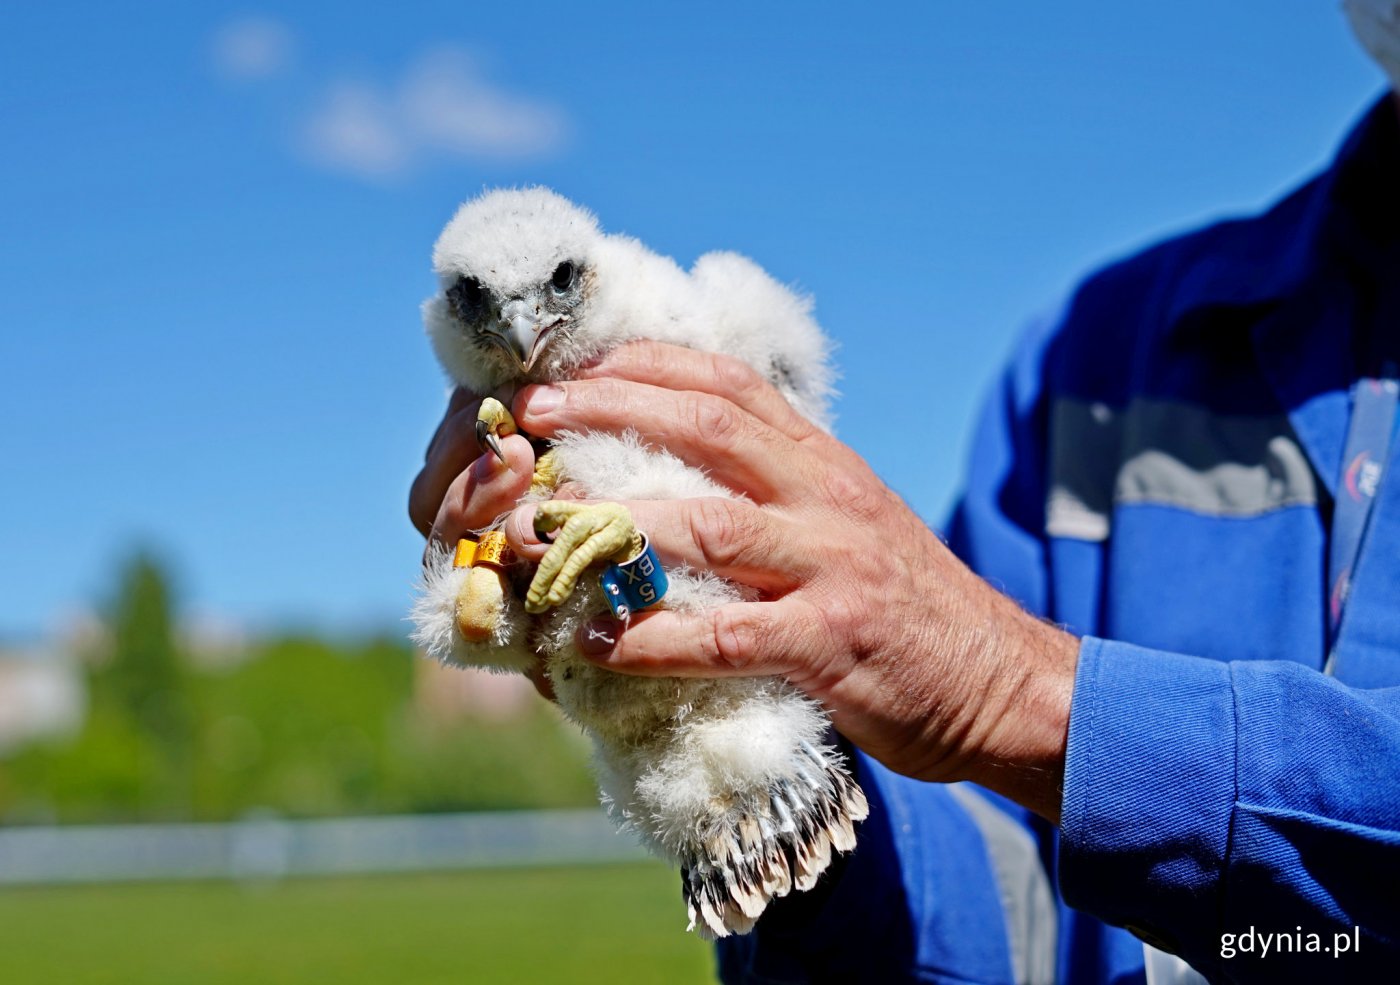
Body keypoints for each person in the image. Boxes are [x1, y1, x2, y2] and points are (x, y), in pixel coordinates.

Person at [409, 9, 1400, 980]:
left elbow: (988, 713)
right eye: (477, 304)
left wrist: (1015, 696)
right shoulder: (1097, 355)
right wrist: (774, 786)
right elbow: (1014, 893)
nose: (524, 329)